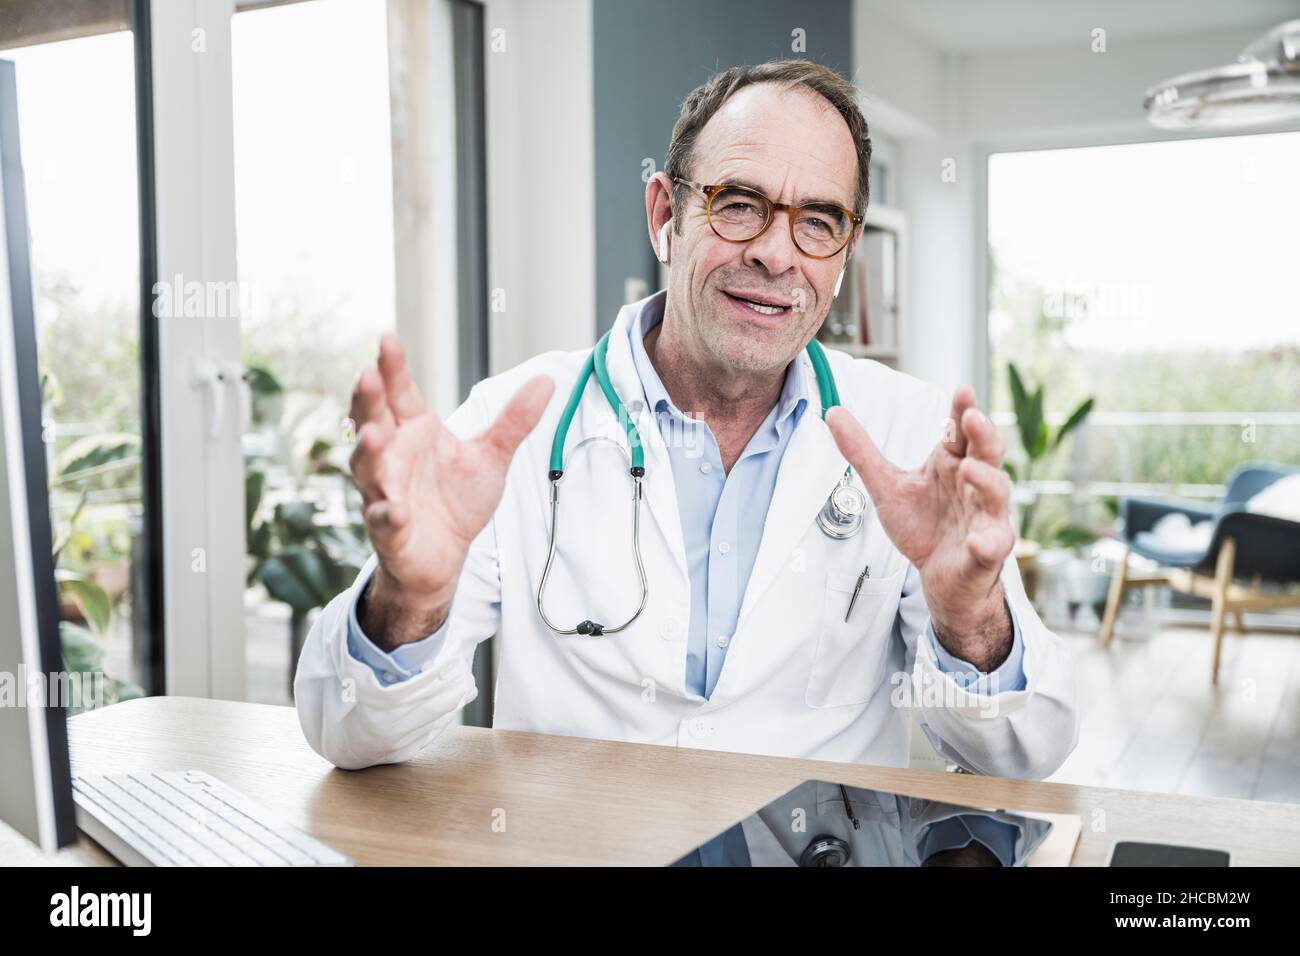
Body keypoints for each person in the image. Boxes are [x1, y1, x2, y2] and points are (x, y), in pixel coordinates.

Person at [294, 59, 1078, 780]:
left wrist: (968, 617)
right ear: (666, 214)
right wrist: (410, 596)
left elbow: (1021, 754)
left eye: (818, 220)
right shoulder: (518, 423)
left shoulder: (909, 436)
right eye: (738, 205)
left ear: (845, 252)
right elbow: (348, 733)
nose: (776, 254)